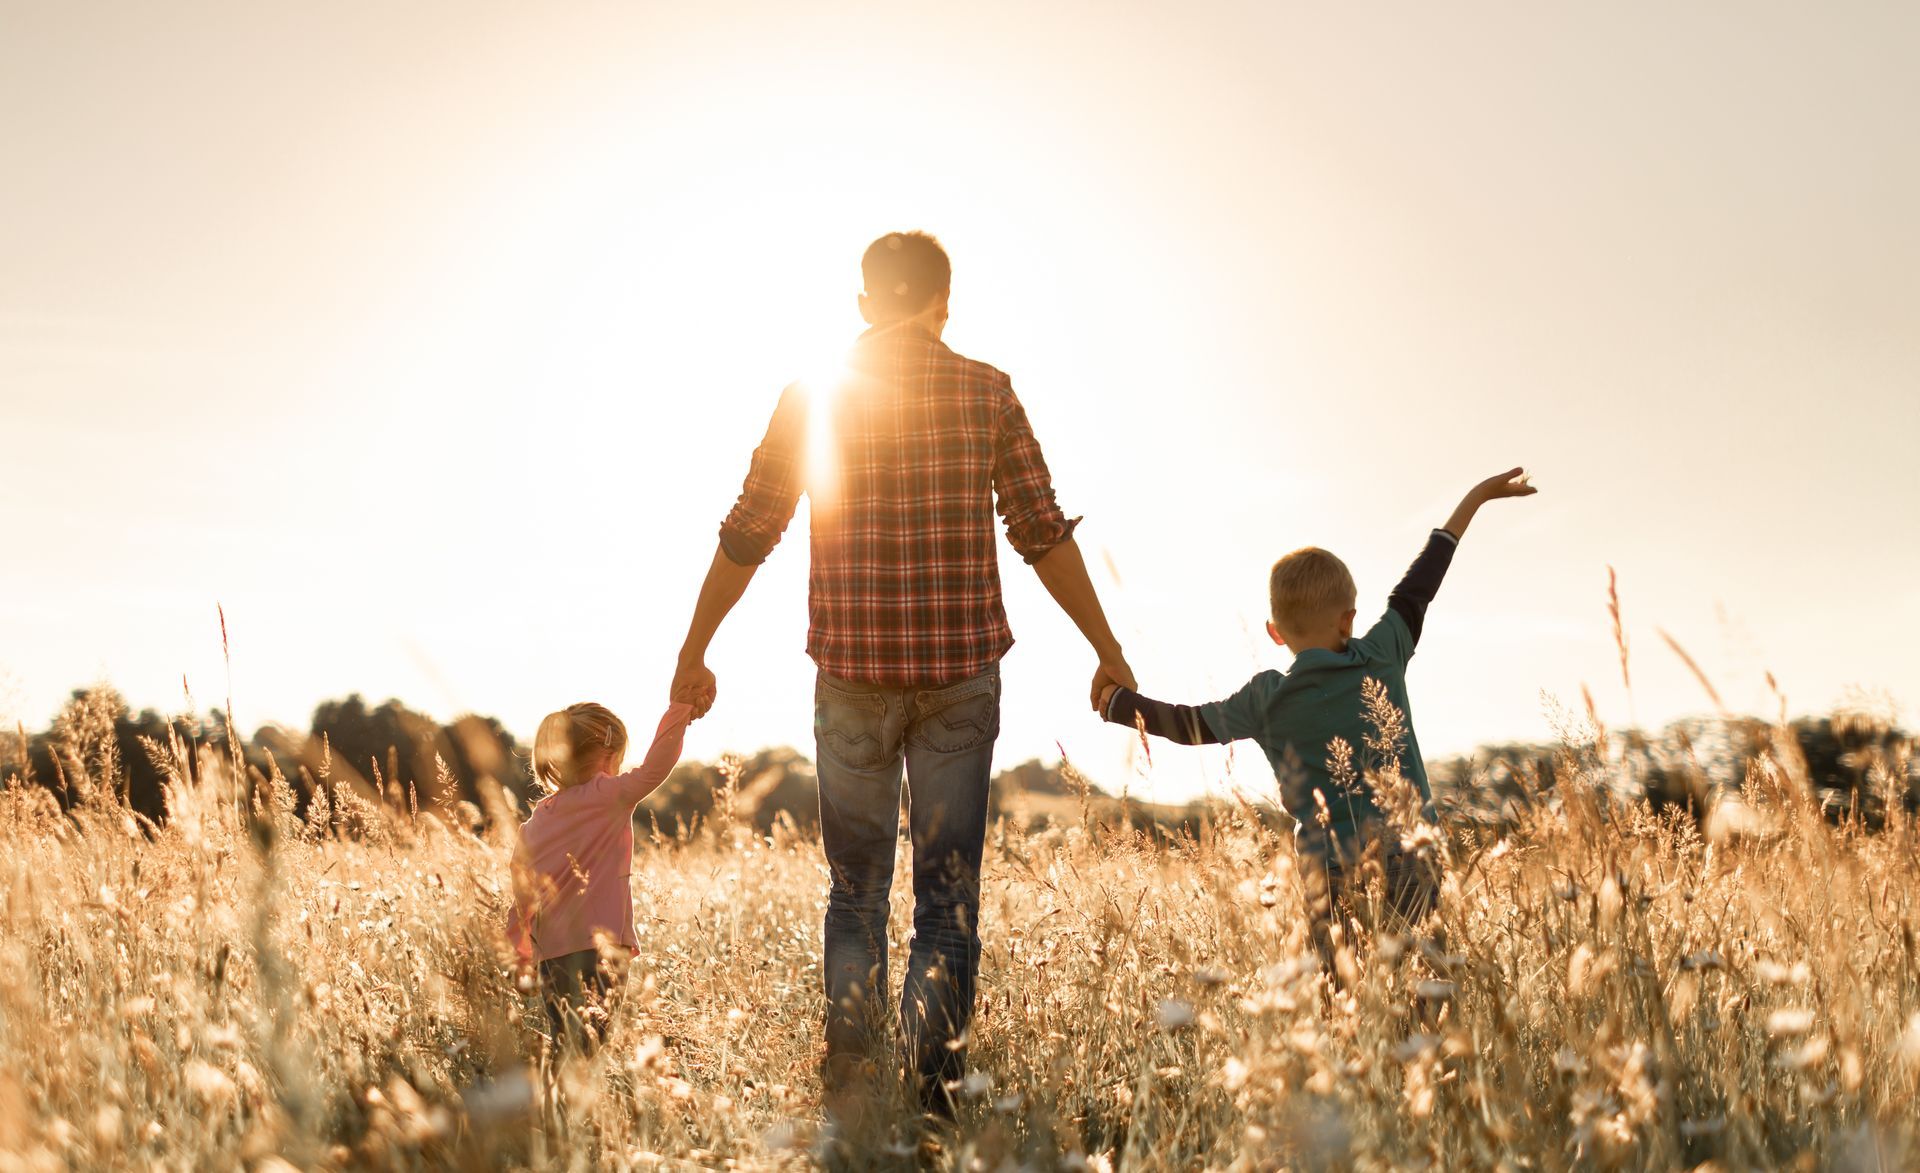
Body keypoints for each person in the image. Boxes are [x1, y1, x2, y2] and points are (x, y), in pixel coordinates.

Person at [670, 231, 1134, 1117]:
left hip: (851, 676)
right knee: (947, 897)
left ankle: (850, 1082)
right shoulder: (986, 391)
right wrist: (1107, 649)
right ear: (943, 304)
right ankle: (933, 1097)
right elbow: (1041, 531)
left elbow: (749, 529)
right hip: (960, 677)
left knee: (854, 890)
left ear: (863, 304)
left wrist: (695, 649)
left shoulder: (813, 396)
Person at [1097, 468, 1537, 971]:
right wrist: (1475, 498)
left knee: (1345, 1004)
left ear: (1275, 632)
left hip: (1328, 875)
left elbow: (1185, 724)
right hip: (1412, 860)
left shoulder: (1265, 698)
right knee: (1422, 997)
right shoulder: (1382, 654)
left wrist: (1116, 702)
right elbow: (1420, 586)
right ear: (1349, 618)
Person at [507, 700, 693, 1052]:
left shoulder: (534, 823)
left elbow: (522, 894)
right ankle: (573, 1107)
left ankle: (555, 1106)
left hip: (551, 956)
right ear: (610, 754)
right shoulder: (609, 796)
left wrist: (520, 952)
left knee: (567, 1046)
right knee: (590, 1050)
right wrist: (680, 709)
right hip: (601, 952)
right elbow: (658, 765)